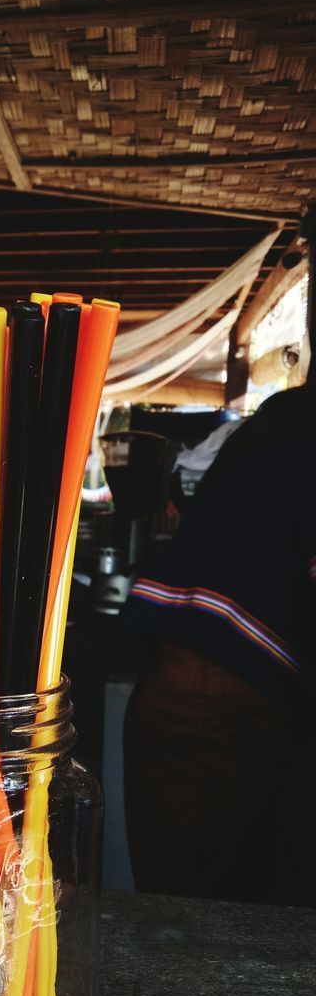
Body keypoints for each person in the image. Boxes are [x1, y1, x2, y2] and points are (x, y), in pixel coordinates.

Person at [121, 383, 316, 906]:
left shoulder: (279, 418)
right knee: (206, 929)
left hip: (209, 705)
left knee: (202, 926)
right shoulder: (298, 424)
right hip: (213, 717)